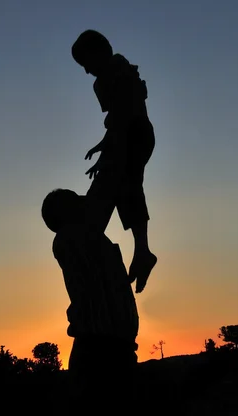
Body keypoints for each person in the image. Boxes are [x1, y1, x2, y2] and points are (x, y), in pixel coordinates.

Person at [71, 29, 157, 294]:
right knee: (126, 187)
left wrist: (107, 153)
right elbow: (117, 121)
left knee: (127, 184)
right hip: (128, 136)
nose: (86, 71)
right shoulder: (106, 80)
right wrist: (104, 148)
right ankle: (141, 250)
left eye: (86, 64)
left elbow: (126, 116)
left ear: (99, 53)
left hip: (135, 135)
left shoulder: (120, 71)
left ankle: (142, 250)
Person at [41, 188, 139, 411]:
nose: (85, 204)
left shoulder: (84, 238)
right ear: (68, 212)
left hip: (109, 345)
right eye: (76, 202)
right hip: (101, 347)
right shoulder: (72, 239)